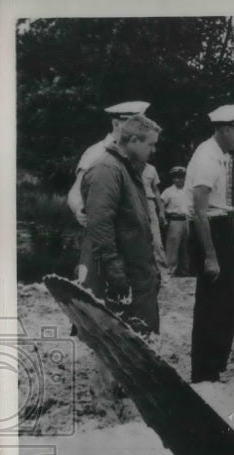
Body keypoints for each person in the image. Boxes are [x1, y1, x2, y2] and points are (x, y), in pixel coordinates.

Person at [185, 103, 234, 383]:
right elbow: (199, 211)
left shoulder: (220, 154)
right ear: (225, 129)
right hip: (209, 230)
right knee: (215, 305)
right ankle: (204, 373)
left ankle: (211, 368)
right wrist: (210, 255)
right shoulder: (207, 159)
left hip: (219, 226)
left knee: (225, 304)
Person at [81, 114, 163, 334]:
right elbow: (100, 223)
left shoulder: (127, 169)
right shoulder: (108, 170)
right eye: (151, 145)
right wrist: (114, 270)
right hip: (120, 274)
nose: (153, 151)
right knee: (121, 339)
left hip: (135, 270)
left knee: (141, 337)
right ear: (134, 140)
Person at [68, 101, 151, 288]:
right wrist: (80, 208)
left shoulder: (135, 152)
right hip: (105, 239)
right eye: (135, 123)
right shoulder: (97, 153)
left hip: (131, 239)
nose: (141, 128)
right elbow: (75, 191)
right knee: (97, 297)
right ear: (116, 124)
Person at [160, 166, 193, 275]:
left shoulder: (189, 190)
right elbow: (161, 204)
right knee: (172, 247)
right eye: (176, 177)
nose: (179, 180)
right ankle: (170, 271)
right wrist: (163, 217)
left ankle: (186, 271)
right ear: (173, 179)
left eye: (181, 177)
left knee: (187, 247)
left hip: (187, 220)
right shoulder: (168, 191)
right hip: (175, 221)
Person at [142, 161, 166, 269]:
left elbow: (156, 190)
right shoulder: (128, 166)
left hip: (149, 203)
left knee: (156, 241)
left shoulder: (151, 169)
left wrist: (161, 211)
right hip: (134, 202)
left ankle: (163, 272)